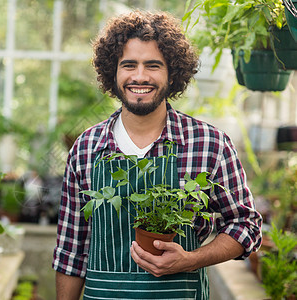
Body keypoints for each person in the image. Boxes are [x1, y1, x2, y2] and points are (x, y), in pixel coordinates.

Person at [52, 10, 262, 300]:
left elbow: (246, 226)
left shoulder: (209, 144)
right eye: (129, 65)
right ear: (112, 72)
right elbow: (71, 252)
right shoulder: (86, 148)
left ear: (172, 73)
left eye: (153, 65)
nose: (140, 76)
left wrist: (191, 259)